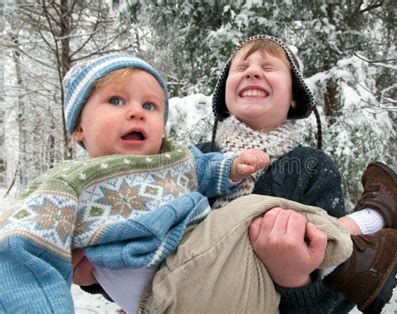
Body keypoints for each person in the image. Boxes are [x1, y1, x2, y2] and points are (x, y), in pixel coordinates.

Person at [0, 53, 272, 313]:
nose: (136, 112)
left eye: (149, 105)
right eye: (116, 100)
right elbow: (23, 248)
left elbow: (202, 169)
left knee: (281, 216)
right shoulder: (70, 182)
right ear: (79, 127)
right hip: (162, 287)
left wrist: (233, 167)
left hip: (211, 259)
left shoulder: (174, 158)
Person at [196, 35, 397, 313]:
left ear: (294, 98)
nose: (253, 71)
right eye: (241, 67)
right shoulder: (195, 159)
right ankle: (377, 216)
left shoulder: (312, 167)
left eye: (269, 68)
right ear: (224, 92)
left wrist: (293, 276)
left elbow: (332, 300)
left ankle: (371, 224)